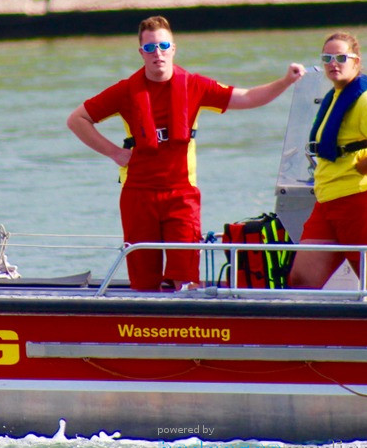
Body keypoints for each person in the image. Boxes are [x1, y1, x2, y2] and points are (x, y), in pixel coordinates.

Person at [66, 15, 305, 292]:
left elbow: (249, 97)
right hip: (138, 194)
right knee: (144, 282)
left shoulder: (194, 85)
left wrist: (286, 81)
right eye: (150, 48)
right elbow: (77, 119)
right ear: (141, 52)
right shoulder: (125, 91)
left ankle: (187, 332)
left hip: (181, 195)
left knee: (186, 278)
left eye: (163, 46)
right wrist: (114, 153)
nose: (158, 54)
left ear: (173, 49)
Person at [287, 33, 367, 291]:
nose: (334, 63)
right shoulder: (335, 97)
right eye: (327, 58)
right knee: (302, 282)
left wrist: (362, 168)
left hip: (362, 198)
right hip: (328, 199)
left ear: (356, 62)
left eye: (341, 57)